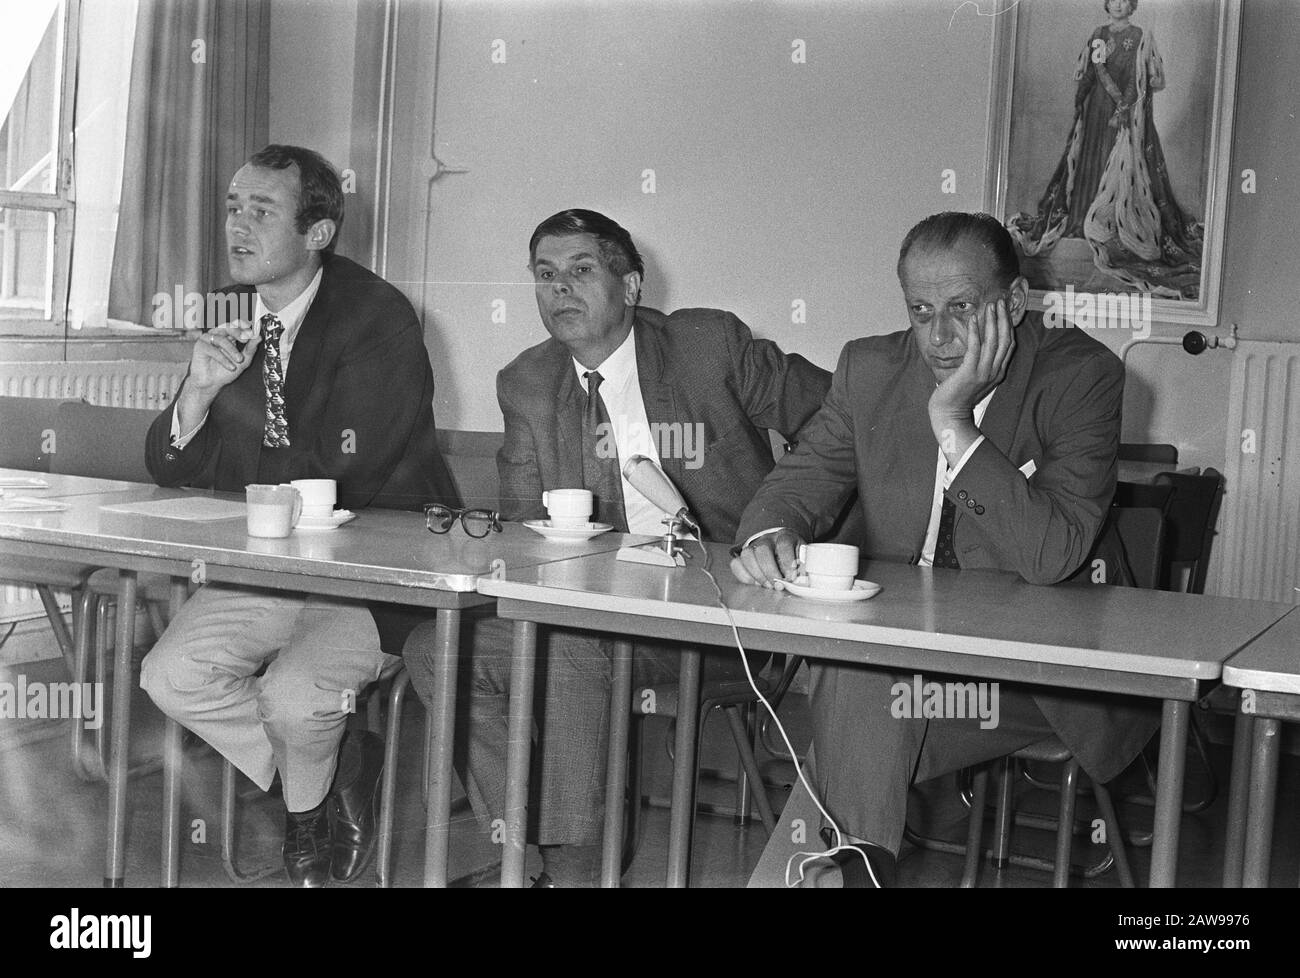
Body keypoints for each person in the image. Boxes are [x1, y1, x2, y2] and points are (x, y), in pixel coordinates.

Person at [403, 208, 833, 886]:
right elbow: (520, 528)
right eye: (545, 276)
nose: (560, 290)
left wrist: (791, 521)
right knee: (437, 648)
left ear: (631, 286)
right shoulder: (527, 381)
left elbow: (837, 421)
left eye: (581, 271)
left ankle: (578, 872)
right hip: (601, 610)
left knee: (571, 639)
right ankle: (524, 850)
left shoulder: (707, 345)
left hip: (725, 611)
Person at [731, 211, 1157, 887]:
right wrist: (769, 531)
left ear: (1016, 303)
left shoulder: (1082, 377)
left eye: (963, 307)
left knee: (852, 706)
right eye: (921, 309)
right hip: (904, 674)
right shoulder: (870, 367)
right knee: (859, 683)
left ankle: (840, 867)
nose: (939, 336)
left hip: (1038, 679)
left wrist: (954, 422)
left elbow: (1051, 557)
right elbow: (801, 480)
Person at [140, 145, 458, 887]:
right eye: (232, 207)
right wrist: (200, 393)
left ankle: (303, 818)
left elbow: (352, 467)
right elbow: (167, 465)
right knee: (172, 674)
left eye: (262, 210)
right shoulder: (227, 308)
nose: (237, 226)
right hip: (272, 564)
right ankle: (327, 772)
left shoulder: (377, 316)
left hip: (377, 566)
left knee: (294, 695)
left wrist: (249, 481)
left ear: (317, 233)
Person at [1007, 0, 1202, 298]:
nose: (1119, 5)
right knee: (1091, 158)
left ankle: (1111, 219)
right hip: (1098, 106)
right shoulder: (1098, 33)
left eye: (1125, 0)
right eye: (1114, 0)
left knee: (1118, 160)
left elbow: (1142, 82)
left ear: (1132, 5)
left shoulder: (1139, 36)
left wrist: (1125, 109)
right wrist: (1082, 101)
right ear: (1107, 4)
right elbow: (1093, 73)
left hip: (1126, 108)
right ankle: (1083, 212)